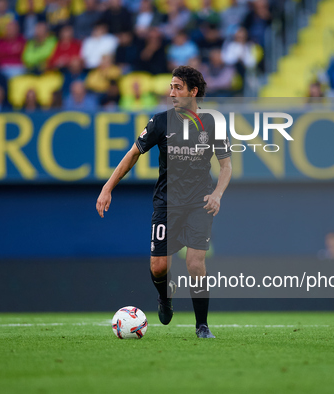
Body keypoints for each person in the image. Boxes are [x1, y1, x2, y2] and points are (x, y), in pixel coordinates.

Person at [96, 66, 232, 338]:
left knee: (195, 263)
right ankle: (164, 297)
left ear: (193, 91)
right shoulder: (160, 122)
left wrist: (217, 194)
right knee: (159, 267)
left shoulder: (212, 124)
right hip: (166, 204)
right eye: (170, 87)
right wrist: (108, 187)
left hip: (199, 203)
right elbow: (133, 154)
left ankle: (202, 326)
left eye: (177, 87)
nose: (171, 93)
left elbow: (226, 166)